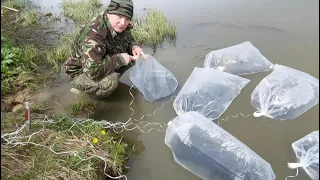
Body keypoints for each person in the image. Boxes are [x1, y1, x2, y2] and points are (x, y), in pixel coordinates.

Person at [65, 0, 146, 99]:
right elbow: (92, 71)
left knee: (135, 58)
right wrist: (120, 59)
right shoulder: (94, 35)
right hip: (81, 72)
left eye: (127, 18)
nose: (123, 23)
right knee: (111, 81)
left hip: (101, 59)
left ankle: (113, 74)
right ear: (109, 13)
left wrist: (134, 46)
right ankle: (90, 97)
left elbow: (128, 39)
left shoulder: (119, 25)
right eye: (119, 17)